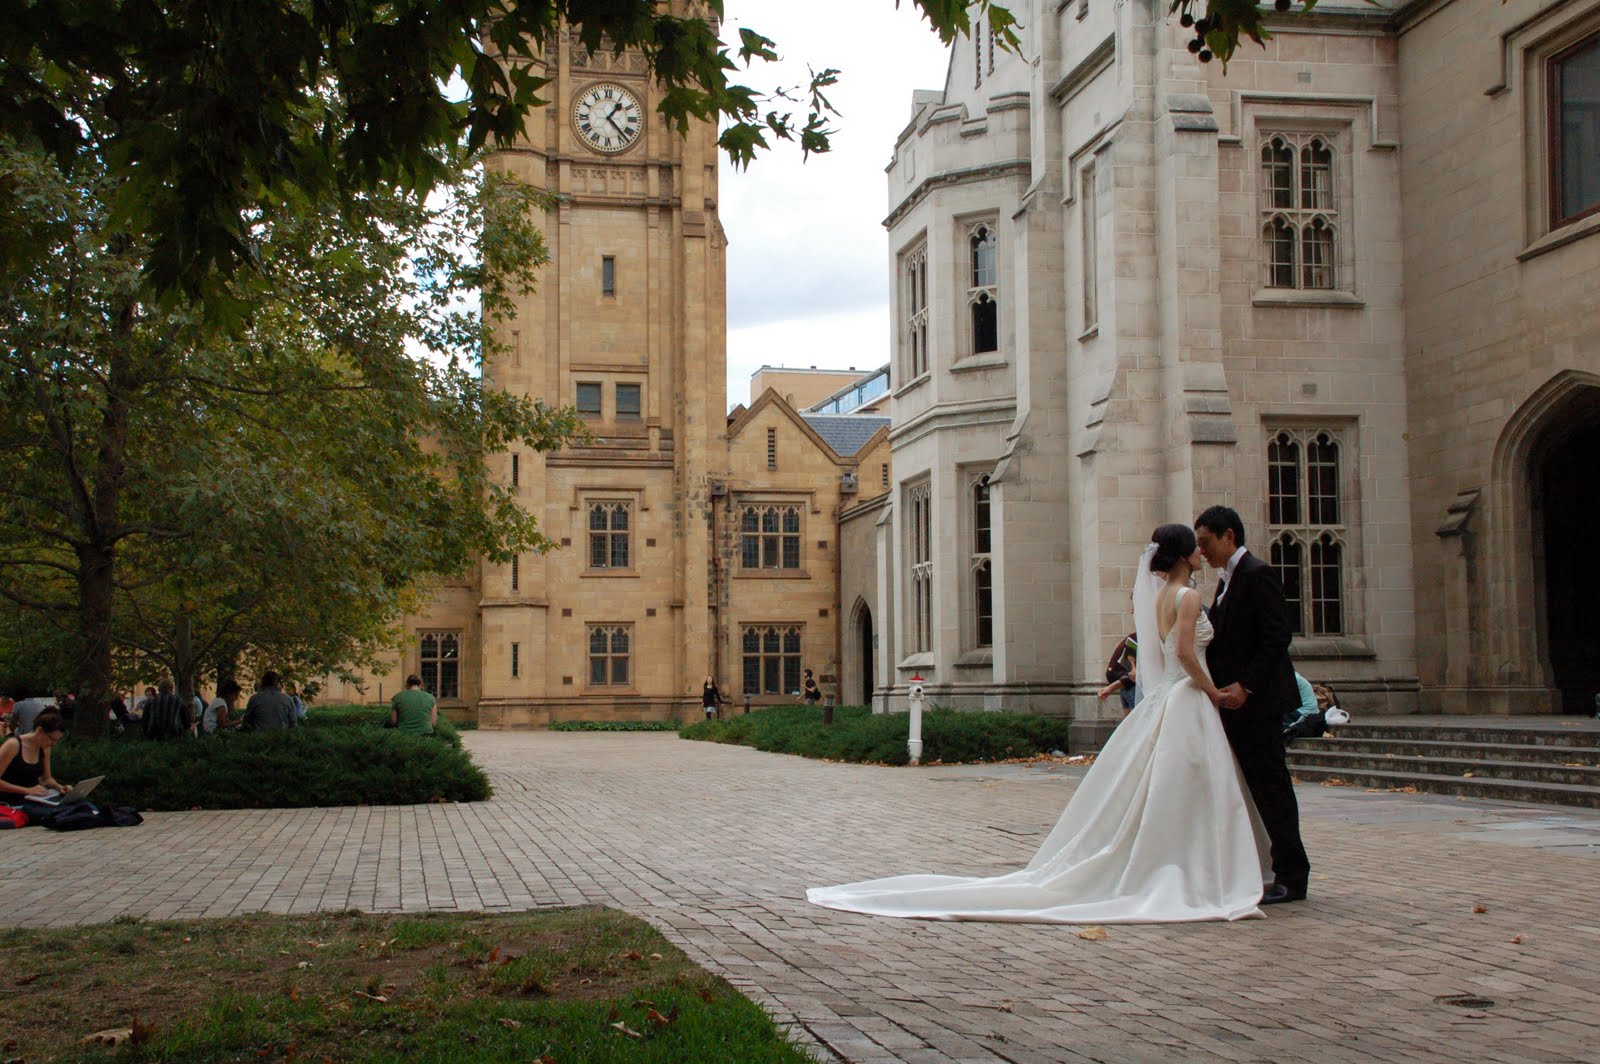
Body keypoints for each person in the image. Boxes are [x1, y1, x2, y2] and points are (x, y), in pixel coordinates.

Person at [808, 524, 1269, 924]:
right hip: (1187, 699)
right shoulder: (1187, 596)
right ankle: (1197, 869)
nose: (1201, 553)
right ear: (1185, 552)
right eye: (1197, 546)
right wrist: (1213, 691)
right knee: (1189, 788)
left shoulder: (1160, 597)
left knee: (1171, 789)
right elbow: (1186, 654)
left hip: (1169, 700)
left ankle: (1184, 863)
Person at [1195, 504, 1310, 905]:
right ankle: (1273, 868)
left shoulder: (1257, 574)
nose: (1202, 552)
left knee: (1273, 787)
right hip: (1237, 704)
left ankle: (1293, 876)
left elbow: (1277, 637)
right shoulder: (1227, 580)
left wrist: (1246, 686)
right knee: (1259, 789)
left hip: (1258, 703)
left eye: (1206, 543)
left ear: (1229, 536)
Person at [0, 710, 72, 800]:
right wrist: (27, 790)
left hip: (33, 799)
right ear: (40, 730)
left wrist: (60, 787)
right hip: (10, 802)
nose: (53, 744)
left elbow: (46, 779)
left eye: (57, 741)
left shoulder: (45, 748)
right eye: (52, 739)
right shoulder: (13, 745)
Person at [1097, 633, 1138, 711]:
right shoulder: (1137, 638)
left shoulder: (1136, 637)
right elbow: (1135, 674)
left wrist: (1111, 688)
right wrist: (1111, 688)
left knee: (1130, 720)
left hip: (1125, 684)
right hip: (1129, 685)